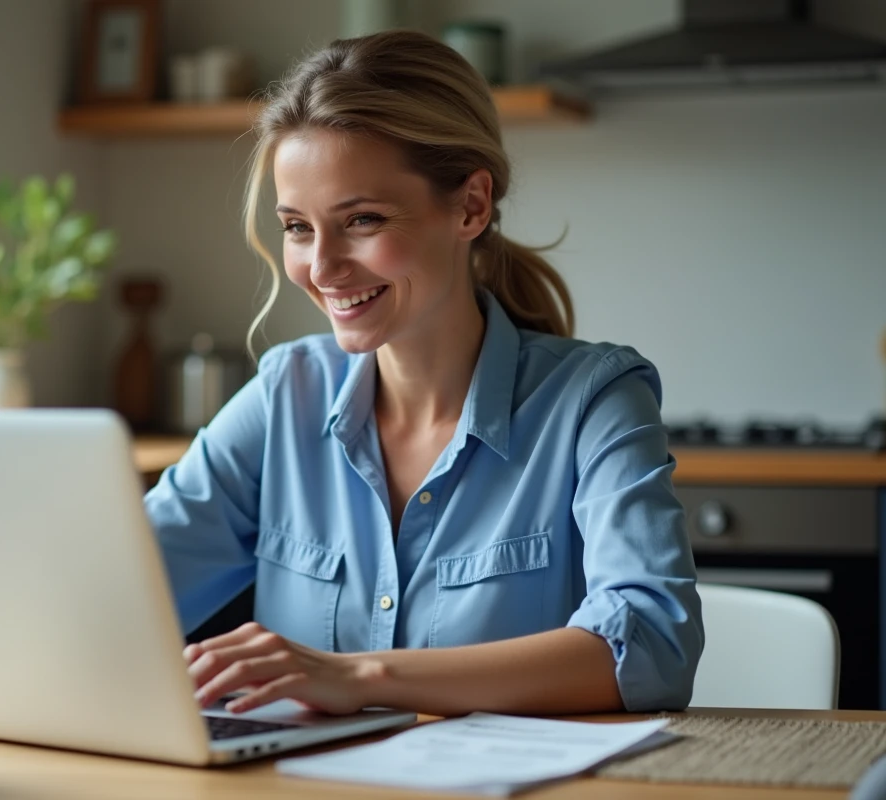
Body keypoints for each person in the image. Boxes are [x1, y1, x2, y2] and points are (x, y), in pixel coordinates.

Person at [144, 30, 703, 718]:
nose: (320, 268)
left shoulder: (593, 402)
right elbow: (115, 593)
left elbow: (651, 647)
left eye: (363, 220)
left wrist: (359, 677)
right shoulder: (283, 397)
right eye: (297, 227)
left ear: (470, 206)